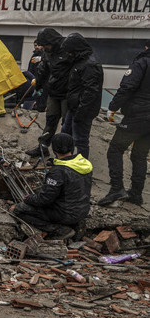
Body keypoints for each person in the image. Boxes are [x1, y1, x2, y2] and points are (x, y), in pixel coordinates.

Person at [98, 40, 150, 206]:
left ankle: (116, 189)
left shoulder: (142, 62)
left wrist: (112, 107)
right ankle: (136, 195)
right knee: (139, 155)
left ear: (147, 47)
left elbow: (128, 86)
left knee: (115, 149)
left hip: (137, 116)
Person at [11, 133, 92, 239]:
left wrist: (28, 198)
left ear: (54, 150)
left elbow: (44, 200)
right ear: (72, 147)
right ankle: (77, 225)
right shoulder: (84, 164)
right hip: (83, 210)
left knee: (19, 210)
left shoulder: (58, 172)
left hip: (65, 214)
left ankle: (60, 230)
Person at [26, 28, 71, 156]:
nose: (44, 47)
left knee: (66, 124)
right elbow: (43, 70)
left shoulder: (68, 49)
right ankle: (43, 147)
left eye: (46, 44)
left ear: (53, 41)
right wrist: (38, 86)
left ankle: (64, 153)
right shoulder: (47, 52)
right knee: (50, 119)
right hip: (53, 91)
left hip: (67, 93)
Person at [59, 33, 103, 159]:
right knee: (65, 135)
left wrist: (81, 112)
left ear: (75, 49)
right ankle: (66, 162)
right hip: (74, 107)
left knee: (80, 140)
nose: (68, 54)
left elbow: (90, 92)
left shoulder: (90, 64)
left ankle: (81, 170)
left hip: (82, 110)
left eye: (69, 51)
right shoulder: (80, 61)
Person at [28, 40, 47, 111]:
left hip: (42, 81)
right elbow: (30, 68)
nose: (37, 47)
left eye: (38, 45)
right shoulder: (34, 56)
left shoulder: (45, 55)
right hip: (34, 80)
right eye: (35, 45)